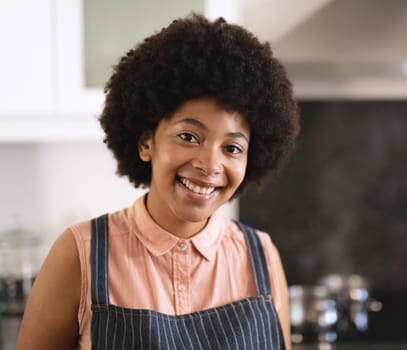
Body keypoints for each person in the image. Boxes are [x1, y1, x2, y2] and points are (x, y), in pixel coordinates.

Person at [16, 13, 299, 350]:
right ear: (146, 142)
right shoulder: (80, 252)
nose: (210, 164)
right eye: (189, 136)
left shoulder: (262, 256)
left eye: (232, 147)